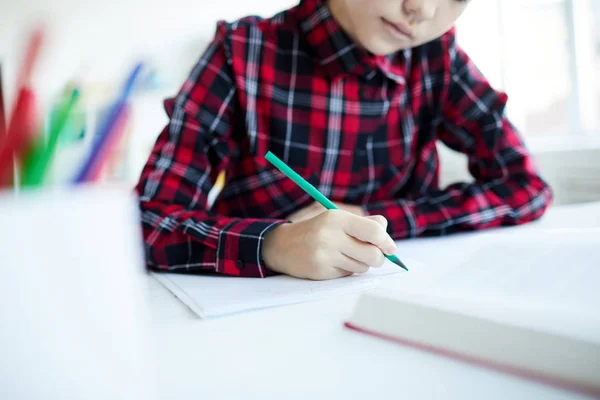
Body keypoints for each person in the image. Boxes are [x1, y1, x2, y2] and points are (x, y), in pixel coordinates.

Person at [136, 0, 552, 281]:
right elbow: (146, 222)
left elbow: (525, 187)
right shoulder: (241, 53)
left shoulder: (436, 57)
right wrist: (274, 244)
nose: (422, 9)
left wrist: (371, 216)